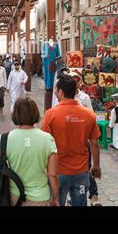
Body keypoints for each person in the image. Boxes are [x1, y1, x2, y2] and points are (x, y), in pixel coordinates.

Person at [41, 75, 101, 207]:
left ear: (61, 92)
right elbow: (94, 143)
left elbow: (44, 144)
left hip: (57, 172)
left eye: (56, 90)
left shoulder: (50, 114)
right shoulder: (88, 114)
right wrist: (96, 165)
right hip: (81, 171)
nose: (55, 92)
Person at [0, 98, 59, 206]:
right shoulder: (47, 139)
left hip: (14, 195)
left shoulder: (5, 138)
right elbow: (52, 174)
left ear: (15, 115)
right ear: (36, 113)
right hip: (40, 197)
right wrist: (55, 197)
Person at [69, 72, 101, 206]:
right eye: (73, 80)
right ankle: (73, 195)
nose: (76, 83)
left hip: (84, 138)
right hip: (69, 138)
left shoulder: (85, 97)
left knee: (86, 166)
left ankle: (93, 194)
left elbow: (91, 116)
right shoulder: (64, 96)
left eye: (77, 80)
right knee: (72, 169)